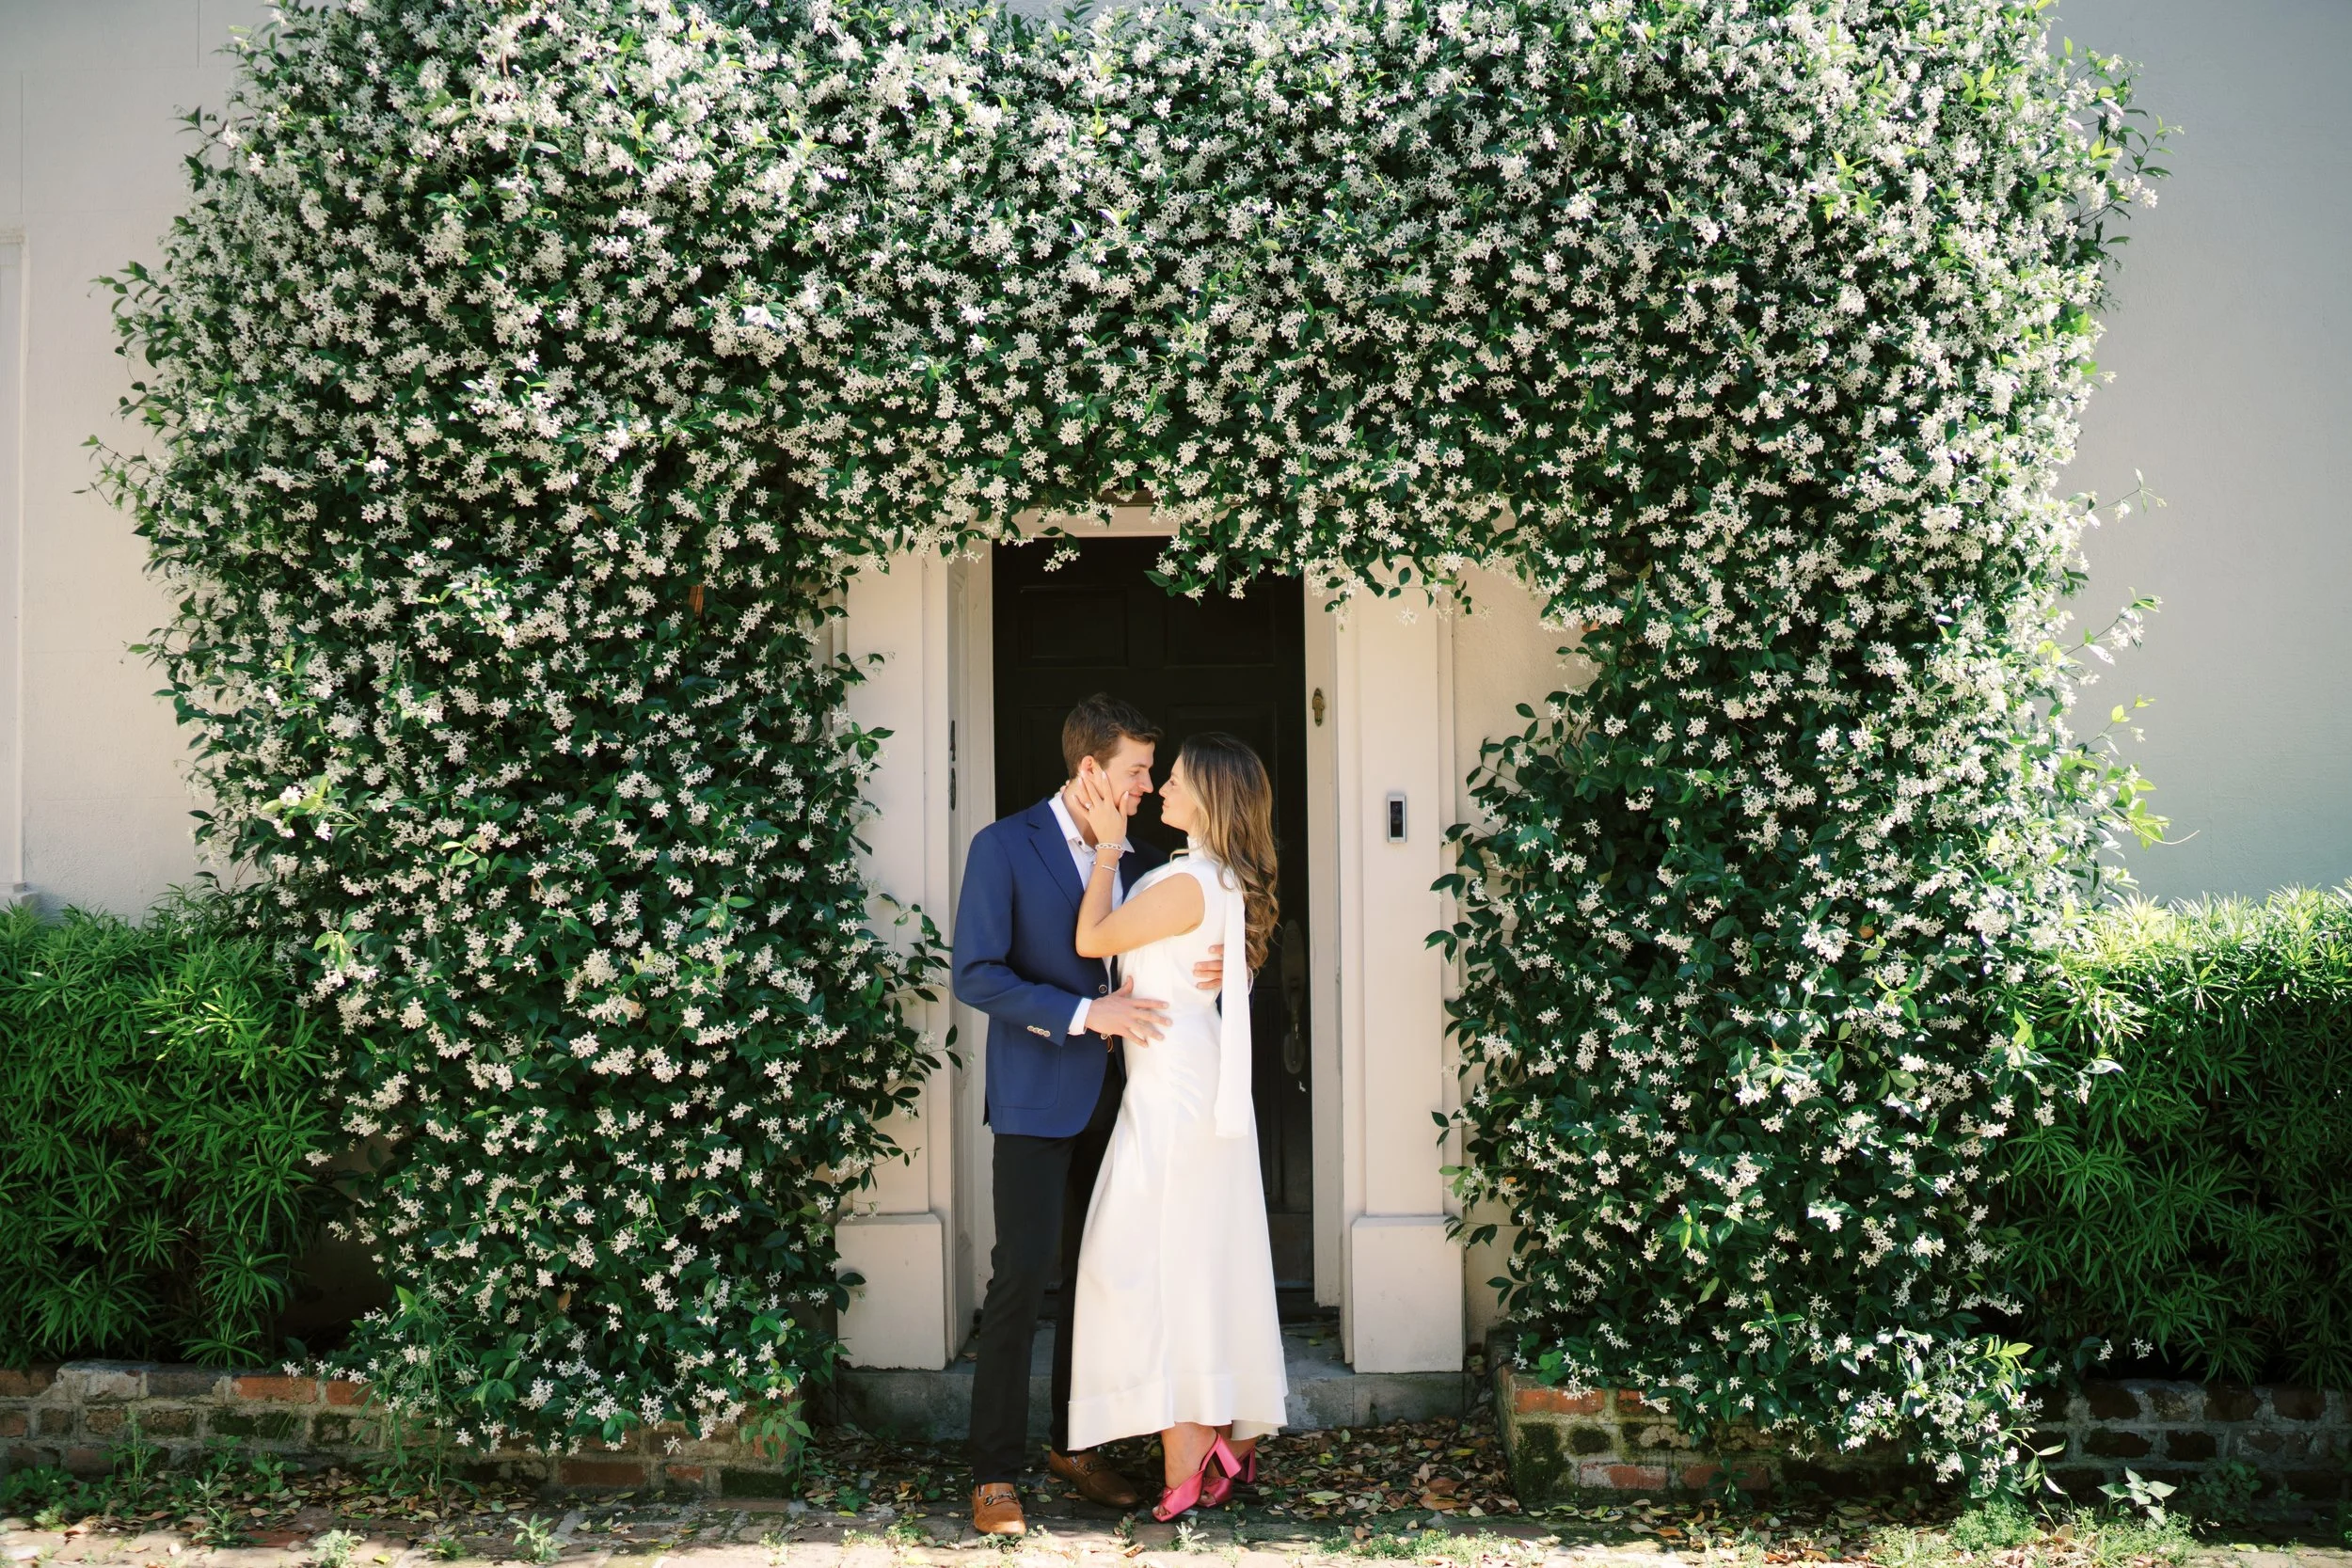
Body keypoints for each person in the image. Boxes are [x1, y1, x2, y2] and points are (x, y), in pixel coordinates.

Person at [950, 695, 1224, 1537]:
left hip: (1127, 1098)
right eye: (1139, 769)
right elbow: (976, 974)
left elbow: (1148, 940)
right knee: (1022, 1275)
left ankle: (1076, 1445)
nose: (1148, 784)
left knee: (1103, 1275)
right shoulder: (1002, 845)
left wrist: (1207, 967)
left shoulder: (1138, 857)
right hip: (1037, 1095)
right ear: (1090, 771)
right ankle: (995, 1472)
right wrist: (1083, 1016)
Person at [1062, 732, 1289, 1520]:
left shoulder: (1188, 881)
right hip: (1180, 1077)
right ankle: (1218, 1436)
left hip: (1174, 1094)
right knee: (1193, 1260)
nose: (1161, 791)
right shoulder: (1217, 879)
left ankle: (1191, 1449)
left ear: (1211, 799)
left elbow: (1092, 939)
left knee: (1152, 1266)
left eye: (1178, 781)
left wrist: (1107, 852)